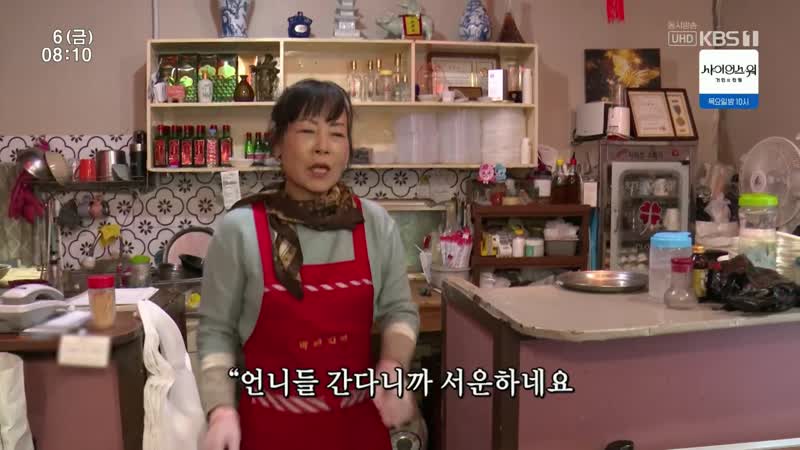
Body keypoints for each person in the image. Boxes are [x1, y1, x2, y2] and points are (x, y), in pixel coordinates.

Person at [198, 79, 420, 450]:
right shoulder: (241, 230)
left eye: (337, 133)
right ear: (277, 144)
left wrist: (393, 366)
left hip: (358, 430)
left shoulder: (374, 224)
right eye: (306, 131)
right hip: (270, 431)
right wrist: (220, 410)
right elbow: (216, 331)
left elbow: (400, 311)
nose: (322, 146)